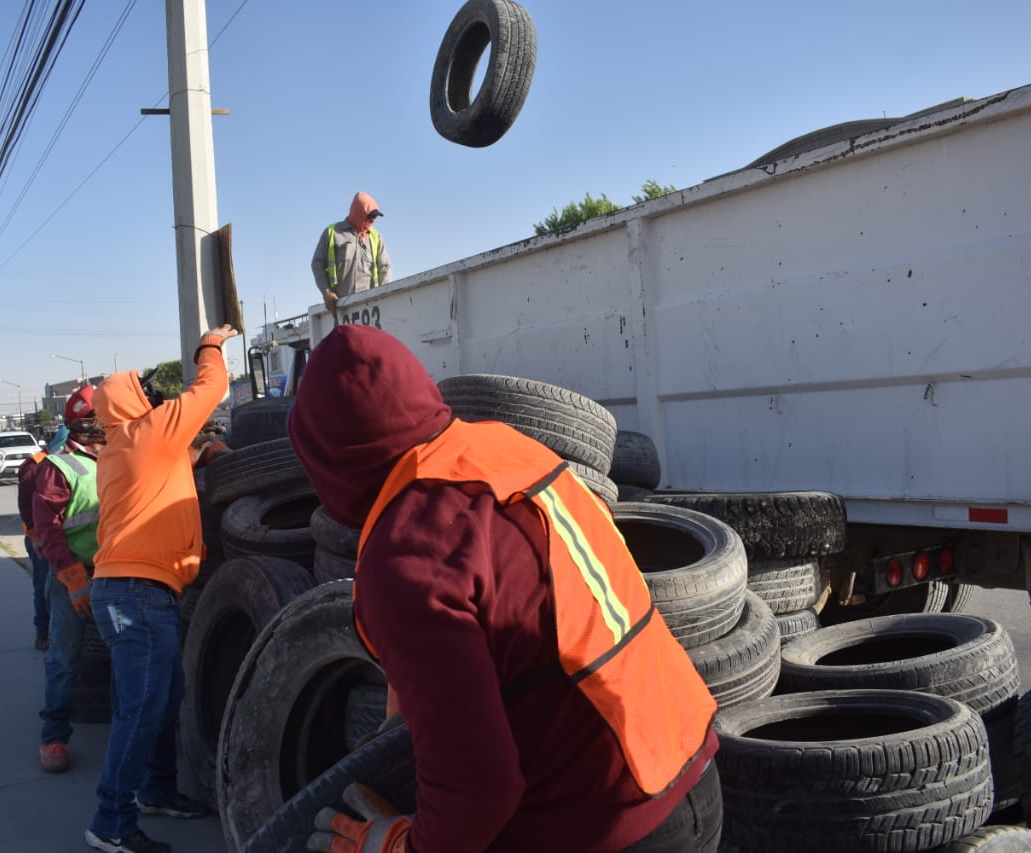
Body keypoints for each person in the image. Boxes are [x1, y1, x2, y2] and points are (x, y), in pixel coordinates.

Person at [288, 325, 722, 853]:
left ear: (327, 456)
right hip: (690, 768)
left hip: (601, 821)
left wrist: (401, 846)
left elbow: (479, 790)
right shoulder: (503, 448)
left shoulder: (404, 553)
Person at [83, 325, 237, 853]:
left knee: (161, 700)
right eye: (146, 393)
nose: (155, 398)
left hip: (129, 593)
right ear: (131, 404)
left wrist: (199, 457)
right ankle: (111, 823)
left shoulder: (121, 447)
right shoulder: (149, 433)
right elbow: (211, 388)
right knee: (143, 709)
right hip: (138, 595)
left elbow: (160, 472)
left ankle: (156, 791)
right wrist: (210, 346)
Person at [35, 390, 104, 774]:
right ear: (87, 421)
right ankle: (54, 735)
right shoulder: (59, 468)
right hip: (75, 577)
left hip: (116, 573)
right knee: (65, 658)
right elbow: (49, 531)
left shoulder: (115, 458)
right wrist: (74, 579)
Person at [18, 425, 68, 650]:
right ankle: (43, 632)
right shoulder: (33, 466)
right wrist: (36, 536)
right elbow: (27, 509)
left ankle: (59, 631)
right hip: (39, 538)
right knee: (43, 584)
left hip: (62, 536)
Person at [311, 191, 392, 315]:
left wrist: (384, 297)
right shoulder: (332, 233)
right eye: (370, 217)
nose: (373, 221)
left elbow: (385, 268)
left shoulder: (376, 238)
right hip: (342, 310)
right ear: (359, 214)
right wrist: (326, 292)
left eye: (374, 218)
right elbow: (317, 264)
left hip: (371, 310)